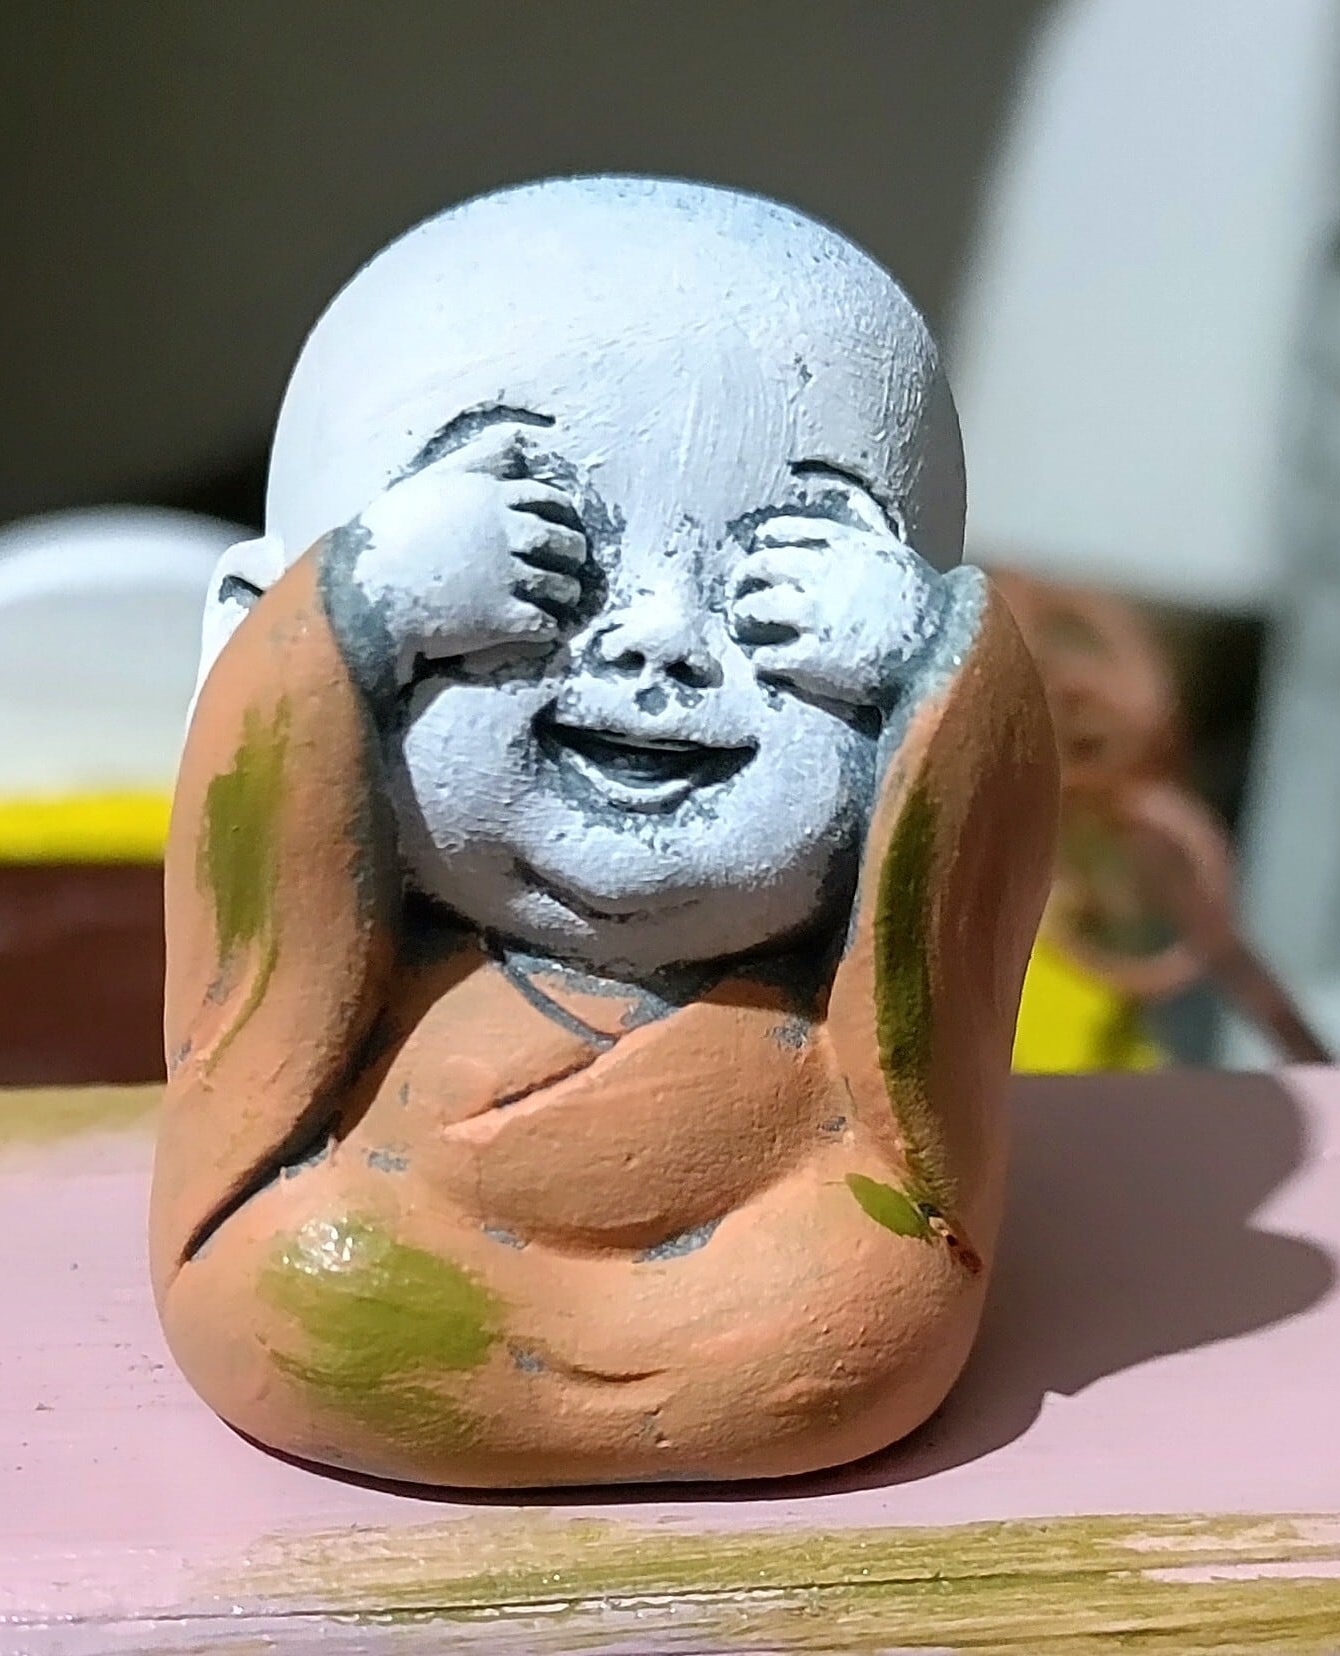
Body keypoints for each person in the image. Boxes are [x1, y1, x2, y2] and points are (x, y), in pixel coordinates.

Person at [152, 178, 1056, 1486]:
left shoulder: (842, 1095)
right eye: (538, 551)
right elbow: (254, 933)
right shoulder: (338, 1007)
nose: (660, 640)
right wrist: (361, 609)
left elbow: (943, 1017)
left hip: (789, 1259)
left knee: (870, 1299)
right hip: (371, 1247)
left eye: (789, 572)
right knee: (300, 1282)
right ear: (252, 635)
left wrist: (933, 669)